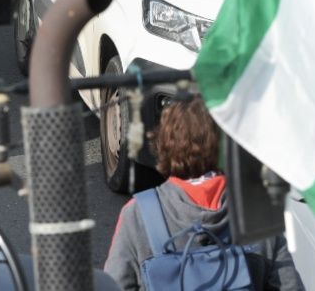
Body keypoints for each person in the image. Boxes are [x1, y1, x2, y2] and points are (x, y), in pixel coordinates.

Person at [104, 98, 302, 290]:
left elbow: (115, 283)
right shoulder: (257, 212)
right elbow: (289, 285)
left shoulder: (137, 215)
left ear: (164, 144)